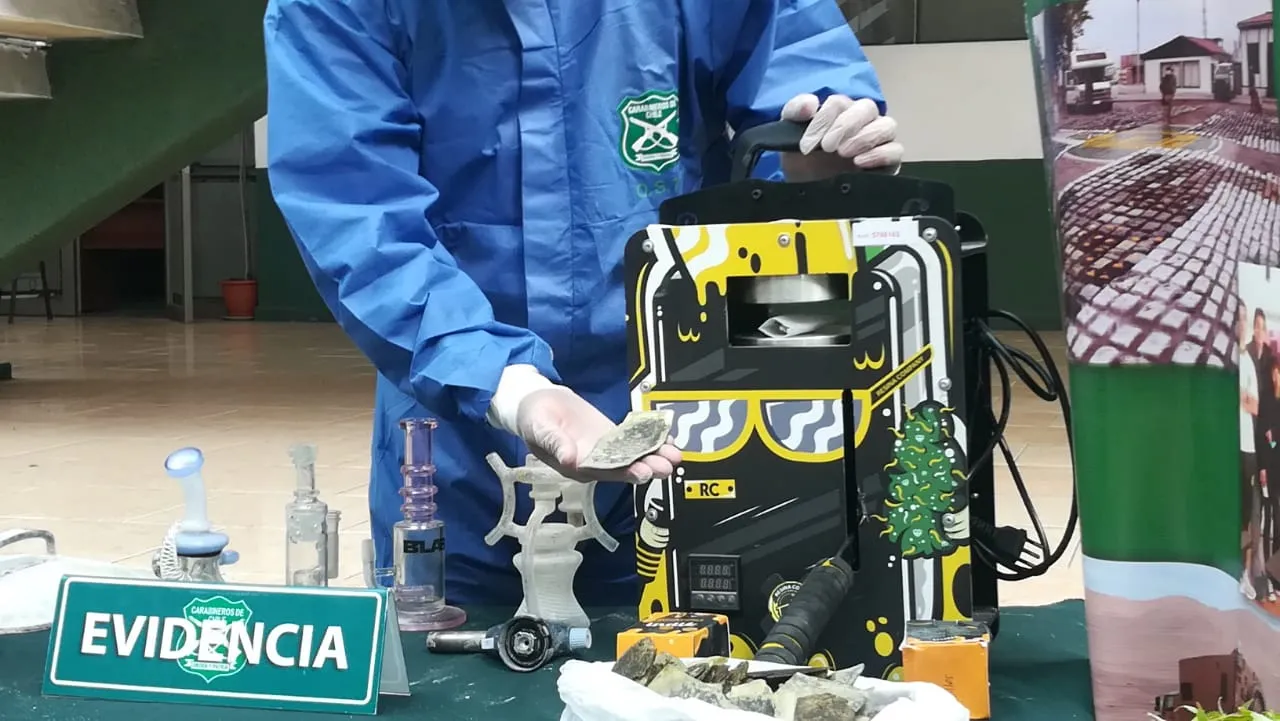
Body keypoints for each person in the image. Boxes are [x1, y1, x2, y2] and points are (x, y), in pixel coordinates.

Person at [264, 0, 905, 606]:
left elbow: (801, 93)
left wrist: (819, 186)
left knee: (710, 653)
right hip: (456, 447)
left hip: (690, 436)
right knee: (450, 657)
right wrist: (506, 385)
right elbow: (357, 213)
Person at [1240, 307, 1262, 600]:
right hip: (1225, 443)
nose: (1242, 324)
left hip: (1247, 446)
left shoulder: (1246, 362)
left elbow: (1255, 405)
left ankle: (1246, 574)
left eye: (1244, 319)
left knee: (1247, 513)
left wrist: (1242, 397)